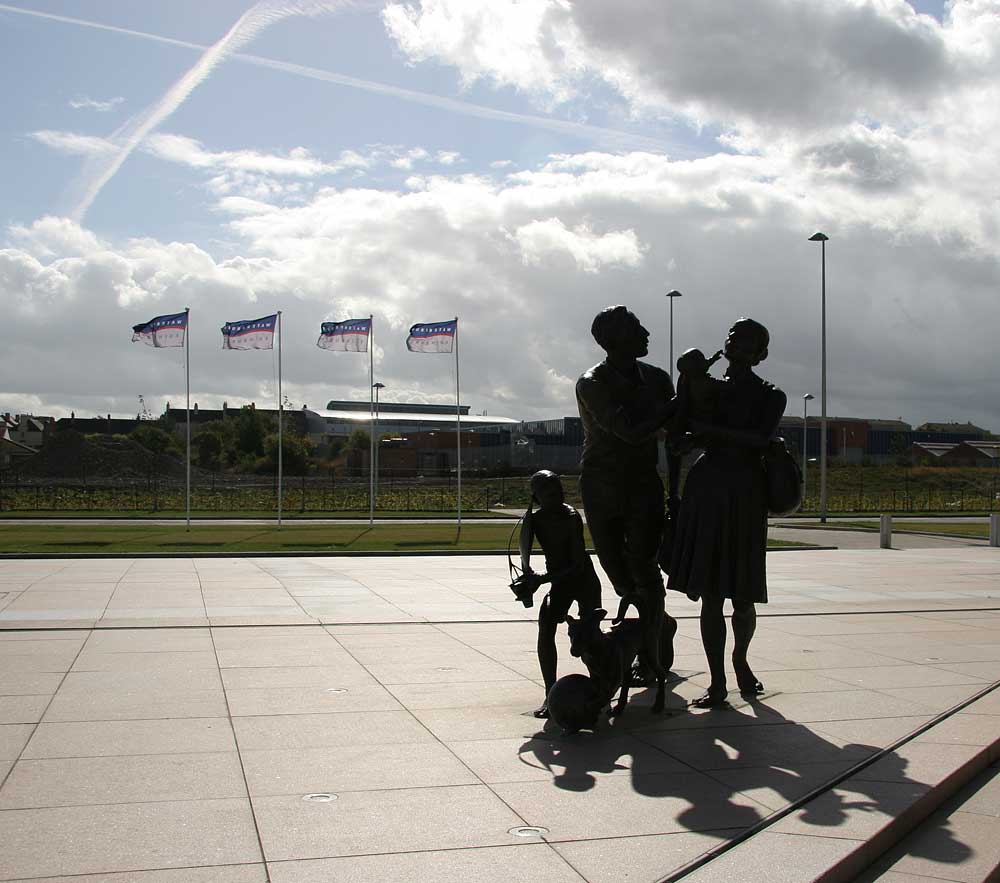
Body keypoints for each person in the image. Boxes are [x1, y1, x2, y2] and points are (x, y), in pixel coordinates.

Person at [668, 318, 786, 707]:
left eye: (748, 341)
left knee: (744, 592)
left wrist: (706, 432)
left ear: (761, 354)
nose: (737, 344)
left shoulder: (772, 395)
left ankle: (739, 660)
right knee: (711, 594)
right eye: (734, 337)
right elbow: (681, 422)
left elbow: (758, 439)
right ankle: (717, 680)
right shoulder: (709, 387)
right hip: (708, 487)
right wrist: (687, 378)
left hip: (745, 491)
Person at [576, 306, 678, 683]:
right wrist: (673, 406)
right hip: (601, 483)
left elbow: (675, 440)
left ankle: (652, 655)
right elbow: (631, 432)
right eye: (637, 328)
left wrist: (676, 493)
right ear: (615, 339)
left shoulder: (658, 379)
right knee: (618, 575)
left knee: (645, 569)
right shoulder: (592, 383)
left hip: (642, 483)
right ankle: (661, 623)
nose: (647, 333)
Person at [510, 470, 601, 718]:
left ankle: (600, 689)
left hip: (583, 580)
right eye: (549, 492)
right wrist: (527, 579)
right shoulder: (535, 520)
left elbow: (575, 565)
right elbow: (525, 555)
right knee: (546, 624)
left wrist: (541, 579)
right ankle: (550, 693)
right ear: (537, 497)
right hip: (559, 582)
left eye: (559, 490)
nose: (557, 495)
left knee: (590, 635)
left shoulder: (570, 517)